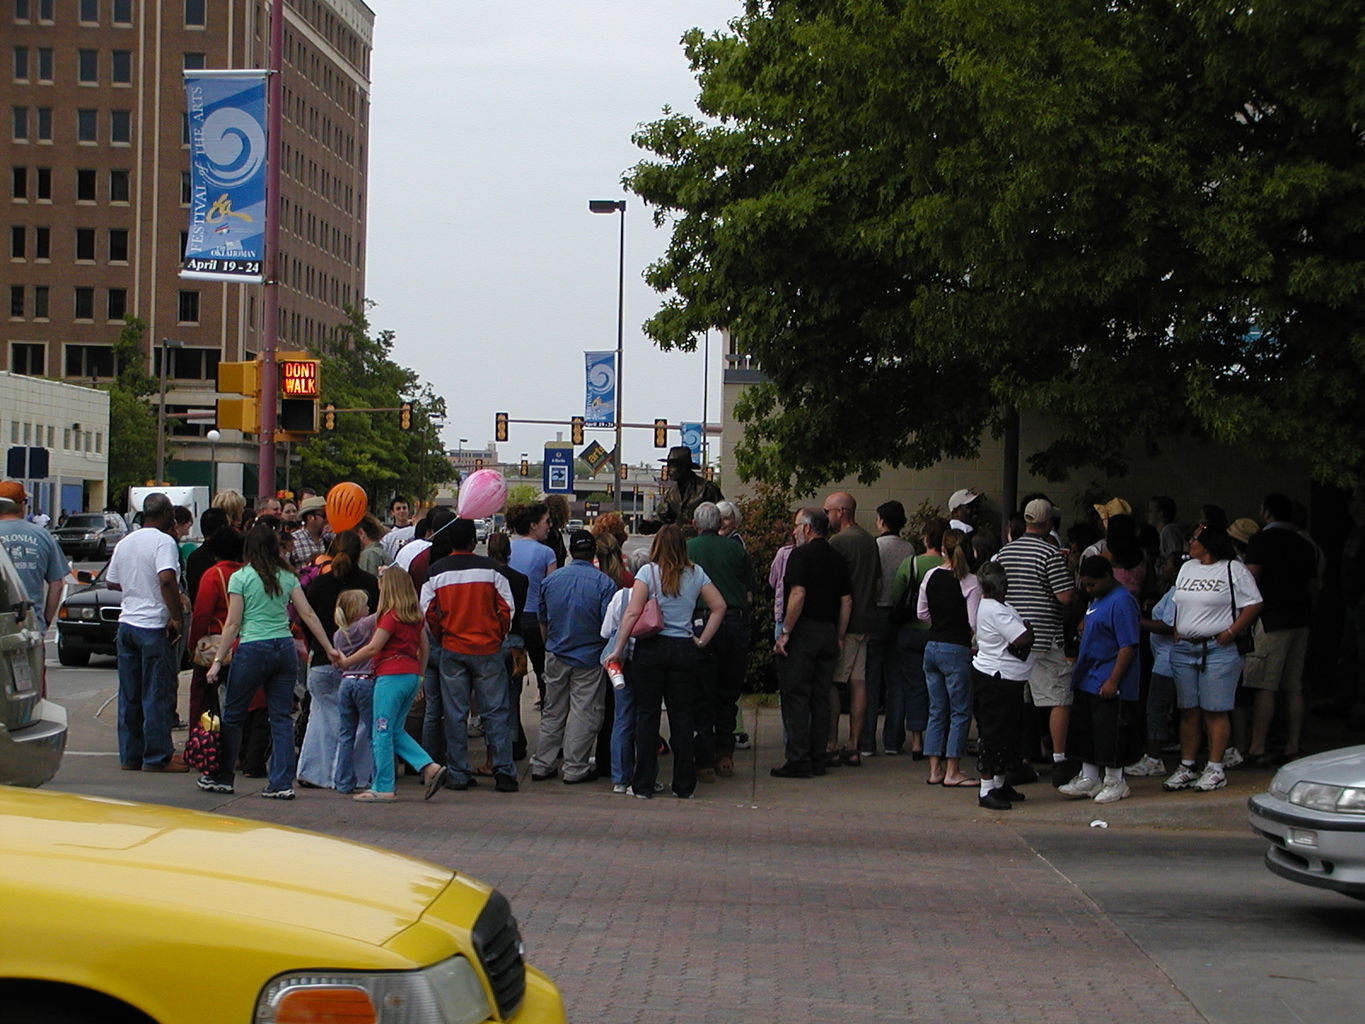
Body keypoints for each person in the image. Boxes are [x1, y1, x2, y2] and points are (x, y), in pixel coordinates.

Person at [200, 523, 338, 798]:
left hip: (253, 648)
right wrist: (329, 647)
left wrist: (217, 661)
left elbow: (233, 624)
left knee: (235, 714)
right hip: (283, 648)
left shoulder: (241, 578)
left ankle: (223, 776)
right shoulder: (286, 577)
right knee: (281, 718)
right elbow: (308, 614)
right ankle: (281, 783)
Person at [607, 524, 726, 798]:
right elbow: (719, 606)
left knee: (646, 717)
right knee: (683, 719)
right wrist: (702, 639)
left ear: (657, 546)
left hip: (651, 649)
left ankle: (643, 784)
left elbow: (633, 613)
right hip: (684, 649)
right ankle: (684, 785)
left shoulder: (647, 573)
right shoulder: (696, 573)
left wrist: (618, 648)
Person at [420, 517, 519, 793]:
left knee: (454, 713)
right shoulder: (492, 570)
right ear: (475, 542)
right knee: (495, 711)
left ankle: (458, 773)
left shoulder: (436, 572)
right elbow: (506, 608)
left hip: (453, 647)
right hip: (488, 648)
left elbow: (427, 613)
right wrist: (498, 634)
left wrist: (442, 636)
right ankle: (503, 772)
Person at [1162, 523, 1263, 794]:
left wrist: (1232, 630)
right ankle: (1187, 765)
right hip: (1186, 647)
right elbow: (1178, 601)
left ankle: (1215, 767)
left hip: (1218, 647)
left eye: (1193, 539)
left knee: (1214, 709)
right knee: (1188, 710)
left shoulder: (1233, 568)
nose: (1189, 544)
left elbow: (1253, 603)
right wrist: (1177, 630)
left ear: (1207, 543)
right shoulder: (1187, 568)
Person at [335, 568, 447, 802]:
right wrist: (420, 677)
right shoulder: (414, 616)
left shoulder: (390, 616)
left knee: (382, 731)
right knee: (394, 730)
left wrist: (347, 662)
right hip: (410, 675)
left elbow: (374, 648)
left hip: (390, 676)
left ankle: (384, 786)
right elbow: (424, 648)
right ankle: (428, 766)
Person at [994, 497, 1077, 785]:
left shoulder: (1004, 553)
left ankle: (1016, 758)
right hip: (1044, 637)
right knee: (1059, 697)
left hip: (1012, 635)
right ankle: (1060, 760)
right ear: (1049, 522)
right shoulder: (1050, 554)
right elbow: (1065, 597)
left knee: (1020, 701)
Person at [105, 492, 187, 773]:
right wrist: (176, 616)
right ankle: (157, 756)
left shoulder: (126, 541)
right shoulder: (164, 542)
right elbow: (166, 579)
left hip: (127, 623)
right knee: (156, 692)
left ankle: (131, 755)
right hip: (152, 625)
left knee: (129, 693)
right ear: (166, 515)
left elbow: (112, 581)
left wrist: (135, 584)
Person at [530, 530, 618, 784]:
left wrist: (550, 644)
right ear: (594, 554)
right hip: (589, 657)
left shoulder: (551, 581)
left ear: (570, 551)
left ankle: (542, 763)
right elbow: (608, 626)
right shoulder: (604, 584)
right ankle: (574, 767)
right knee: (585, 711)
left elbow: (542, 620)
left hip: (557, 652)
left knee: (553, 710)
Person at [769, 508, 851, 779]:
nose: (793, 531)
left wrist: (786, 631)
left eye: (796, 526)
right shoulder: (837, 558)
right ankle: (819, 756)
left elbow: (798, 593)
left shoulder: (799, 555)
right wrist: (839, 635)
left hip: (804, 631)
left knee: (796, 697)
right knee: (821, 697)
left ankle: (798, 758)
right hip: (828, 631)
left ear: (807, 528)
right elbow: (846, 600)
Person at [296, 531, 379, 789]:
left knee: (321, 717)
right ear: (360, 552)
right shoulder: (370, 584)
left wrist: (318, 647)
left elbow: (305, 622)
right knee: (360, 725)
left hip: (323, 659)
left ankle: (314, 772)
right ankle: (352, 773)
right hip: (360, 665)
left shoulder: (317, 585)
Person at [1058, 557, 1141, 805]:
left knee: (1109, 733)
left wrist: (1114, 680)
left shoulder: (1123, 601)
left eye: (1092, 584)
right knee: (1087, 730)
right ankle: (1089, 776)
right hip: (1089, 676)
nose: (1088, 589)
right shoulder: (1097, 599)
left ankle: (1116, 780)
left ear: (1108, 576)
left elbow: (1127, 645)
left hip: (1108, 676)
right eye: (1085, 585)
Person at [1242, 493, 1317, 765]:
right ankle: (1292, 745)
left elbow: (1251, 579)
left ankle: (1257, 747)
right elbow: (1312, 585)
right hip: (1300, 618)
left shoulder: (1261, 540)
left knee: (1265, 685)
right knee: (1294, 686)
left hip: (1271, 618)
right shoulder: (1305, 543)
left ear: (1267, 512)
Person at [687, 502, 752, 779]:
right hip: (735, 622)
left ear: (695, 524)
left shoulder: (688, 549)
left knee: (702, 694)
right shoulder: (736, 549)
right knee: (728, 692)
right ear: (720, 523)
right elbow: (749, 589)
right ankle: (725, 754)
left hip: (702, 621)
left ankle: (703, 762)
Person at [818, 492, 880, 767]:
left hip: (846, 622)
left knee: (833, 682)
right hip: (867, 619)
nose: (826, 515)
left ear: (842, 512)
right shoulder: (869, 540)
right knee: (859, 682)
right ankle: (854, 743)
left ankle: (831, 741)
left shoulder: (839, 543)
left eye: (828, 511)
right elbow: (877, 582)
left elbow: (834, 587)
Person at [916, 528, 981, 788]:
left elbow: (922, 613)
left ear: (942, 547)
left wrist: (940, 622)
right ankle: (953, 768)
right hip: (956, 647)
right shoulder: (970, 581)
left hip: (932, 645)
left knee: (936, 710)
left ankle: (935, 768)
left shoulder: (931, 575)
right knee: (960, 711)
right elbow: (974, 622)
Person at [971, 562, 1034, 809]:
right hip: (997, 677)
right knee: (993, 733)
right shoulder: (995, 609)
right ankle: (987, 789)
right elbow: (1022, 637)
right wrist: (1029, 630)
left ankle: (998, 783)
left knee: (1007, 733)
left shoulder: (996, 606)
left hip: (1006, 677)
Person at [890, 517, 948, 760]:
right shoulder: (951, 565)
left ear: (925, 538)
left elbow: (896, 595)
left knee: (914, 686)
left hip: (911, 630)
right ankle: (940, 739)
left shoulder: (911, 564)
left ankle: (916, 740)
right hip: (940, 631)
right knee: (940, 689)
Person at [865, 500, 913, 756]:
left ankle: (866, 741)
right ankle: (893, 740)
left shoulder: (875, 546)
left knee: (870, 679)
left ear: (881, 520)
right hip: (900, 614)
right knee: (896, 679)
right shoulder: (909, 548)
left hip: (876, 612)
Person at [186, 527, 244, 731]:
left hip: (215, 644)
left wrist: (193, 643)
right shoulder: (247, 573)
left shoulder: (213, 575)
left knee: (202, 696)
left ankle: (202, 740)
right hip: (243, 642)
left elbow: (201, 613)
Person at [0, 480, 68, 635]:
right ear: (22, 504)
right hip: (30, 626)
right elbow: (57, 585)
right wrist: (45, 621)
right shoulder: (43, 536)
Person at [508, 502, 557, 699]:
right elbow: (551, 591)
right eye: (547, 521)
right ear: (533, 525)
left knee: (514, 673)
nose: (550, 525)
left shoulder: (508, 547)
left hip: (513, 618)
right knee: (543, 671)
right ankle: (548, 716)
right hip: (536, 619)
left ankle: (514, 726)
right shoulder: (546, 553)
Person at [331, 589, 376, 794]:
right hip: (366, 681)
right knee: (373, 734)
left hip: (346, 683)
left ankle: (343, 781)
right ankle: (377, 778)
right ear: (358, 610)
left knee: (346, 733)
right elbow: (385, 610)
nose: (369, 608)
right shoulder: (365, 625)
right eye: (366, 605)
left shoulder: (339, 634)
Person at [656, 446, 723, 528]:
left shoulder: (706, 489)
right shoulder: (671, 493)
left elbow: (721, 516)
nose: (668, 470)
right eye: (668, 466)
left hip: (701, 538)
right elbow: (666, 519)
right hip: (678, 539)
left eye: (672, 466)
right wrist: (652, 525)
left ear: (684, 467)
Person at [290, 496, 329, 569]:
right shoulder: (294, 539)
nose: (326, 520)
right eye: (324, 516)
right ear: (310, 518)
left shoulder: (328, 539)